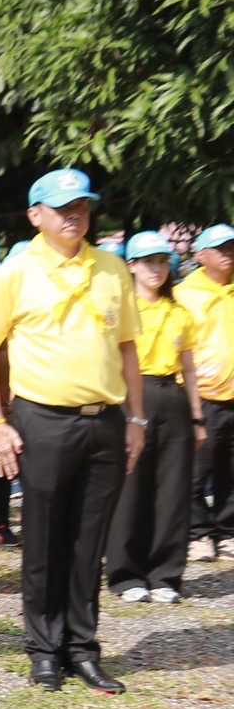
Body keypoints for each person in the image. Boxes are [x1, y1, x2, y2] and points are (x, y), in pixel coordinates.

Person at [0, 168, 143, 693]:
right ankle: (44, 649)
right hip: (42, 420)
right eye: (63, 207)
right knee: (44, 539)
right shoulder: (17, 272)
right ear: (35, 215)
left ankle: (82, 647)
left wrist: (136, 418)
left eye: (82, 207)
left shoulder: (112, 268)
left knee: (90, 542)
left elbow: (128, 348)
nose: (74, 216)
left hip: (105, 421)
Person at [110, 232, 203, 603]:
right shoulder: (120, 308)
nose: (156, 269)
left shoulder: (179, 311)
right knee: (131, 487)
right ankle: (125, 574)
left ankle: (165, 574)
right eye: (148, 262)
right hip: (131, 396)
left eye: (162, 261)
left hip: (172, 397)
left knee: (172, 489)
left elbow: (190, 368)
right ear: (131, 265)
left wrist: (196, 417)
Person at [175, 223, 234, 563]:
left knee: (230, 470)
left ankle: (227, 531)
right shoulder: (185, 294)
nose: (228, 254)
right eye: (221, 248)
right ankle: (198, 532)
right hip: (203, 395)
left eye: (231, 248)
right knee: (196, 471)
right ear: (200, 255)